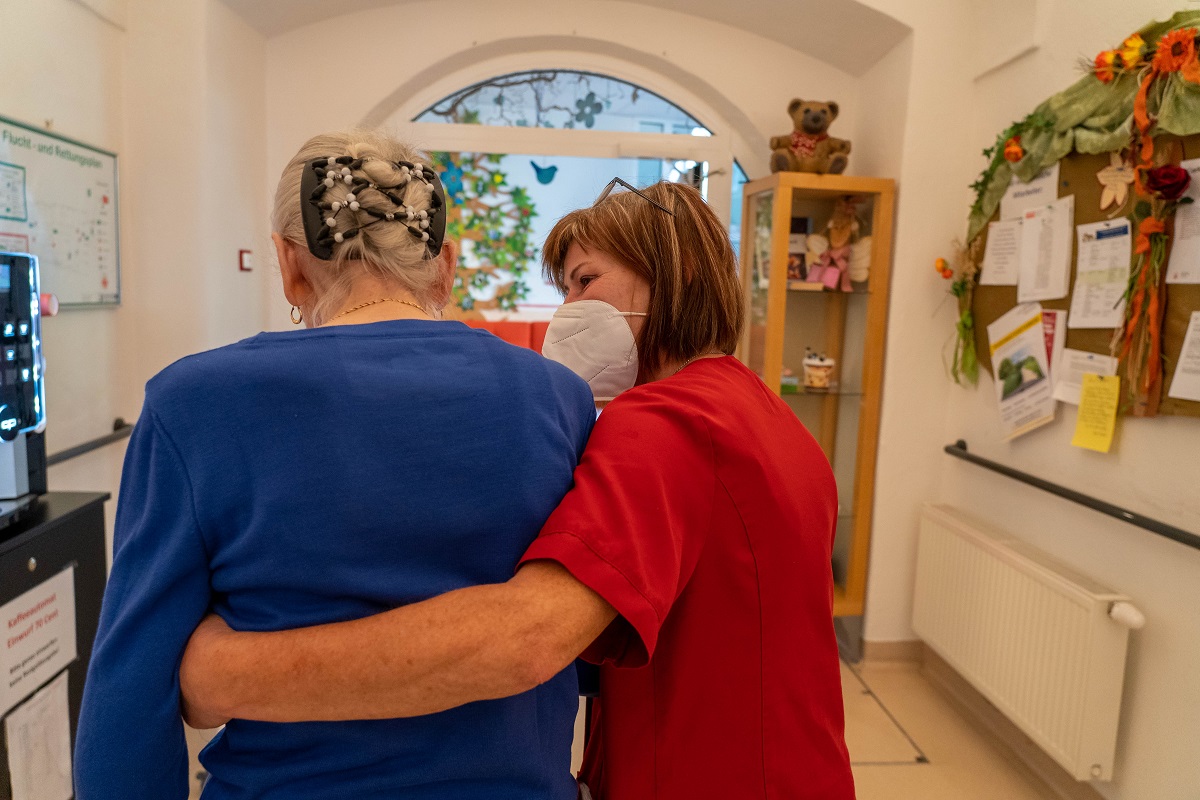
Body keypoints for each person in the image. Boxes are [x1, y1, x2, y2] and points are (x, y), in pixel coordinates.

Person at [179, 179, 856, 800]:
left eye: (585, 280)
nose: (569, 311)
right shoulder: (757, 409)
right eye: (563, 288)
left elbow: (524, 640)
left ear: (673, 271)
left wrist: (222, 672)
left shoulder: (664, 424)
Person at [73, 129, 599, 799]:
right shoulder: (557, 398)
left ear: (289, 263)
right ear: (447, 265)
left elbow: (131, 688)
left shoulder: (196, 405)